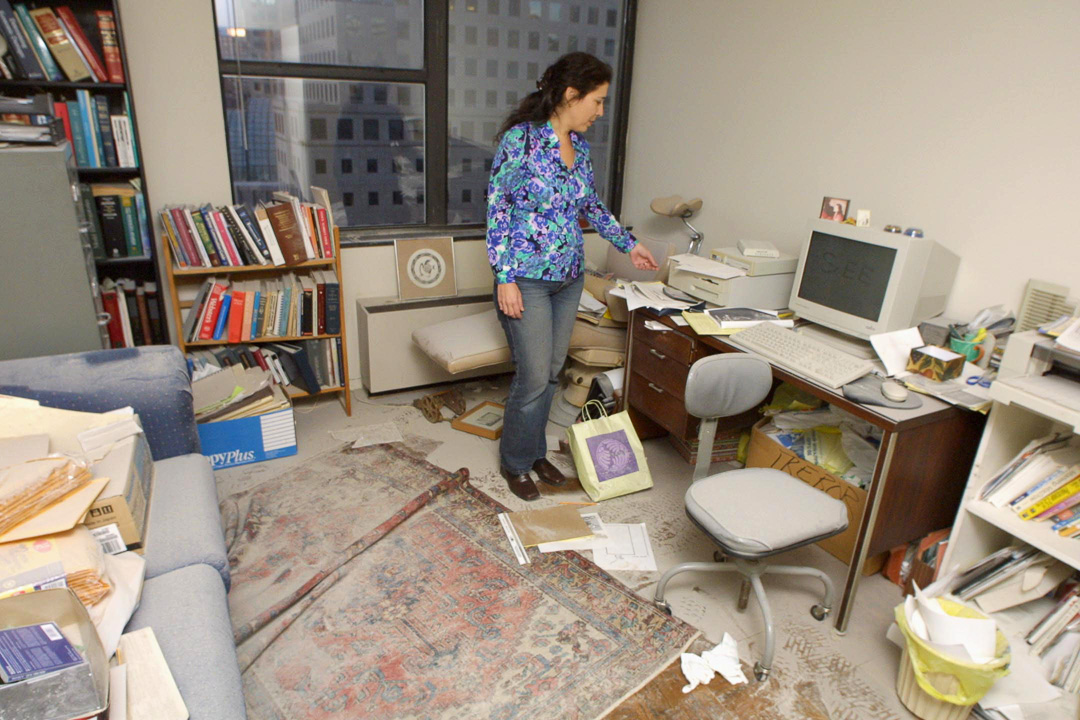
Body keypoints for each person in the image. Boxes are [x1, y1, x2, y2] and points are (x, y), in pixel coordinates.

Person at [486, 52, 658, 501]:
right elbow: (498, 210)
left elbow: (591, 206)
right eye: (597, 102)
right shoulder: (519, 142)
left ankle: (533, 451)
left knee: (551, 374)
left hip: (568, 279)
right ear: (570, 95)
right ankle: (516, 463)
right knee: (532, 375)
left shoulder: (578, 148)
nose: (600, 112)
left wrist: (628, 243)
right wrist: (504, 276)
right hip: (525, 279)